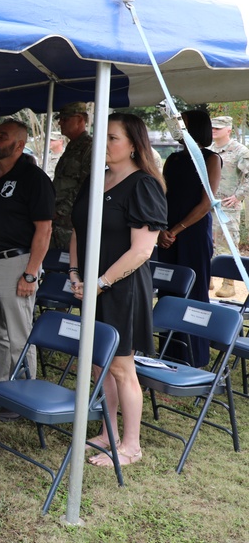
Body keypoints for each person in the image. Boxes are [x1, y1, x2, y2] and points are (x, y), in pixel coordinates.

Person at [69, 112, 167, 467]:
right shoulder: (95, 179)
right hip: (91, 284)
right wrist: (75, 273)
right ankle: (107, 431)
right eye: (102, 137)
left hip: (121, 287)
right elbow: (78, 229)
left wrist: (102, 282)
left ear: (134, 145)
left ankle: (130, 446)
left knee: (122, 367)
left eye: (112, 138)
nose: (104, 144)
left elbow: (142, 250)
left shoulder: (143, 185)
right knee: (99, 364)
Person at [0, 119, 54, 389]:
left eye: (2, 136)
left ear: (19, 144)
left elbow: (44, 230)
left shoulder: (34, 179)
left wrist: (30, 274)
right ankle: (1, 387)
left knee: (19, 334)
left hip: (16, 263)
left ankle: (25, 392)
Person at [157, 110, 221, 367]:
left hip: (192, 234)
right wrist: (162, 228)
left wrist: (176, 230)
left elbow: (207, 203)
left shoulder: (211, 159)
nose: (176, 127)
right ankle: (168, 352)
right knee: (168, 292)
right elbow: (163, 196)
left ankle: (194, 356)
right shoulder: (172, 159)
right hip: (168, 234)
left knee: (193, 292)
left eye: (181, 123)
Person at [209, 115, 249, 297]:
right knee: (207, 242)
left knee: (229, 244)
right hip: (207, 206)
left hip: (227, 207)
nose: (214, 130)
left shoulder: (240, 151)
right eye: (213, 127)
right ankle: (207, 276)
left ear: (229, 130)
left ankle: (229, 283)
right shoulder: (208, 150)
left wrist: (238, 196)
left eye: (218, 127)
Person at [52, 102, 93, 250]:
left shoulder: (89, 147)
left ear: (81, 119)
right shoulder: (72, 146)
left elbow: (86, 186)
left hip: (70, 222)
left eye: (65, 119)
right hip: (58, 220)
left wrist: (60, 211)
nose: (60, 122)